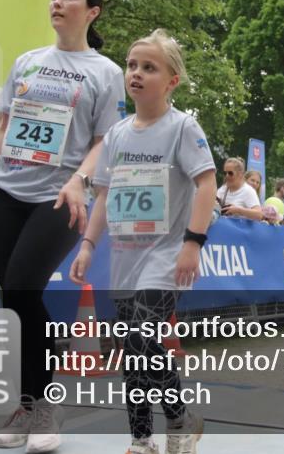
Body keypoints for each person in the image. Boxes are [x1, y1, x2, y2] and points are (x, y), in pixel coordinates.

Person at [0, 0, 125, 453]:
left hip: (59, 199)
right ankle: (28, 404)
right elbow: (3, 132)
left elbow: (105, 141)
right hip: (7, 193)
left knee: (23, 288)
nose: (57, 2)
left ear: (92, 12)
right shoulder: (27, 62)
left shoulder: (105, 72)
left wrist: (78, 179)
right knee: (13, 300)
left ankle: (43, 405)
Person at [70, 28, 213, 454]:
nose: (136, 73)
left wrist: (192, 244)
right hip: (124, 258)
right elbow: (104, 195)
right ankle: (149, 434)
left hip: (165, 256)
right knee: (133, 350)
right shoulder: (116, 135)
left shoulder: (182, 127)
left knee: (140, 339)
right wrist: (88, 246)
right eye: (132, 65)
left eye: (149, 67)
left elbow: (206, 184)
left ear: (171, 81)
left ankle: (171, 425)